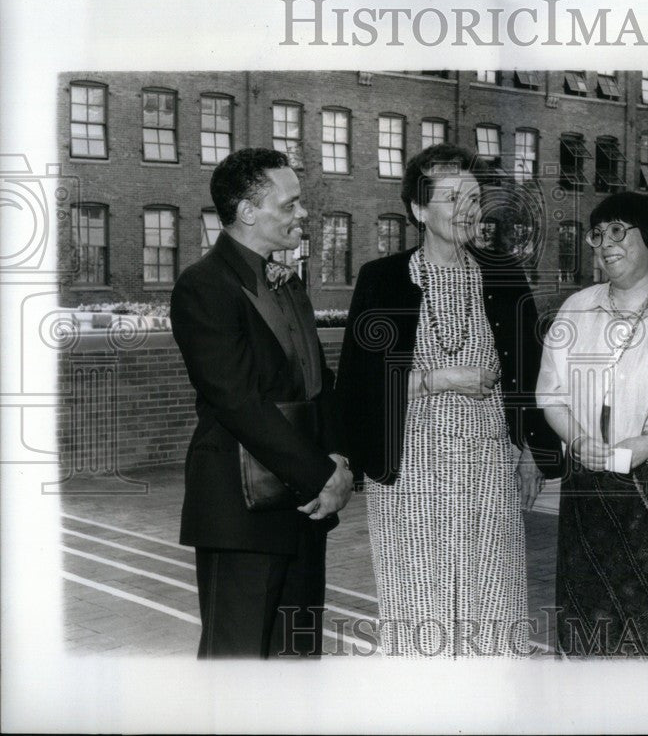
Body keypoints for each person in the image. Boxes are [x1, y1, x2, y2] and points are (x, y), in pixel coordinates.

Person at [331, 143, 561, 658]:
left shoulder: (503, 273)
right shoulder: (382, 280)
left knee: (492, 602)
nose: (468, 209)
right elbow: (359, 388)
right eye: (452, 197)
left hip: (488, 468)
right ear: (418, 209)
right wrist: (439, 379)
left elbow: (531, 373)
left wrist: (534, 453)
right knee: (418, 604)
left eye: (475, 197)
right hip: (410, 470)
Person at [170, 148, 353, 658]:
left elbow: (321, 381)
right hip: (241, 513)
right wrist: (323, 475)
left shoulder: (287, 281)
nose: (302, 214)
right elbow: (238, 403)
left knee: (298, 662)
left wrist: (340, 459)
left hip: (304, 510)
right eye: (290, 204)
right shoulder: (202, 286)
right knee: (238, 663)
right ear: (248, 212)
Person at [536, 191, 648, 657]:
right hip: (588, 491)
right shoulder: (577, 307)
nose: (604, 244)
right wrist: (576, 439)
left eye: (618, 231)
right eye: (598, 234)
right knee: (587, 627)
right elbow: (551, 392)